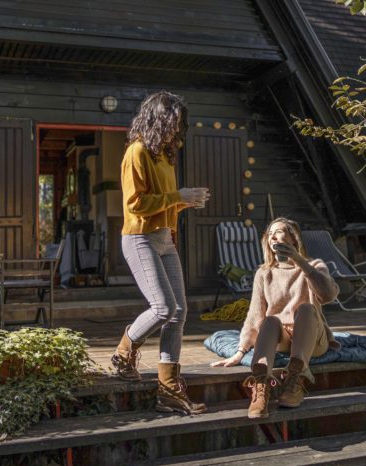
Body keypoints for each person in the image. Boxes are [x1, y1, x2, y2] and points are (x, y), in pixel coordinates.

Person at [111, 91, 210, 415]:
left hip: (164, 239)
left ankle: (168, 389)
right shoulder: (136, 152)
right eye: (172, 122)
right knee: (164, 306)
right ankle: (124, 351)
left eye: (179, 124)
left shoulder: (164, 157)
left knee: (179, 311)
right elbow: (135, 205)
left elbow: (165, 203)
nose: (176, 129)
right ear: (158, 119)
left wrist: (186, 200)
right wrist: (176, 195)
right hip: (139, 238)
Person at [211, 217, 340, 419]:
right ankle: (261, 385)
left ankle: (295, 379)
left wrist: (300, 262)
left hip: (312, 338)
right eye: (269, 234)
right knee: (270, 320)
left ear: (293, 238)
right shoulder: (264, 273)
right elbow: (255, 315)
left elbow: (329, 295)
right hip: (282, 338)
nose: (273, 236)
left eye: (278, 231)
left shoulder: (314, 265)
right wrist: (240, 350)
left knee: (305, 308)